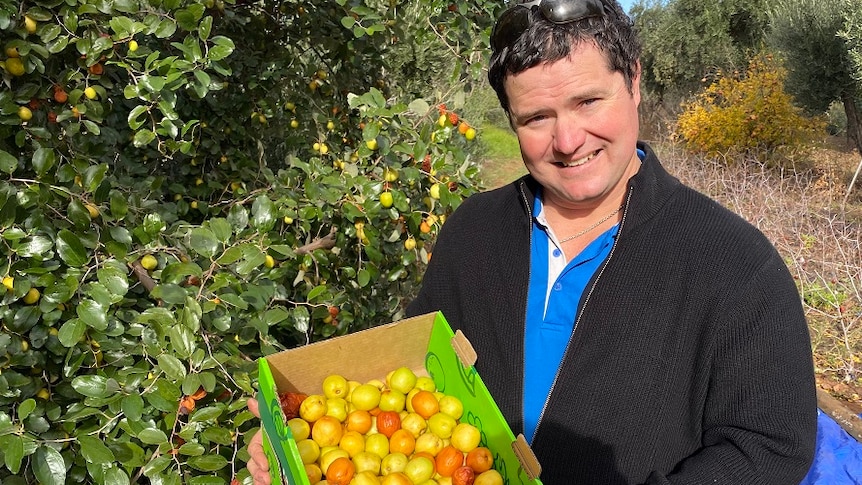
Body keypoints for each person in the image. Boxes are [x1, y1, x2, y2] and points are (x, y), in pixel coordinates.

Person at [246, 0, 818, 483]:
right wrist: (310, 455)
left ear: (635, 82)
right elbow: (421, 370)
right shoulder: (474, 231)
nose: (568, 140)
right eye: (536, 117)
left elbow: (772, 446)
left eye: (588, 102)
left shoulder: (734, 264)